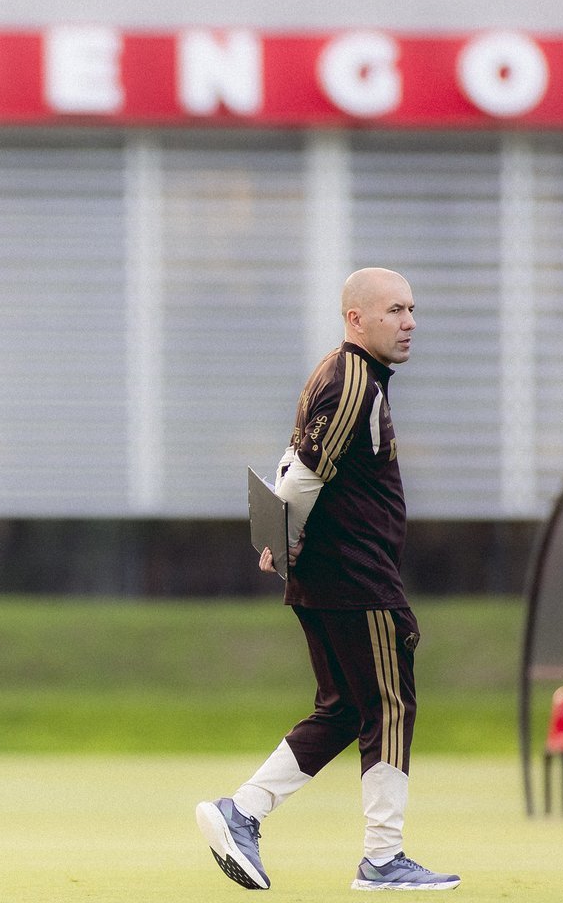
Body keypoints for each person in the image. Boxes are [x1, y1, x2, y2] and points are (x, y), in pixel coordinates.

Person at [195, 267, 459, 892]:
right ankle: (384, 858)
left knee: (343, 710)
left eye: (412, 310)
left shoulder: (341, 376)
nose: (410, 323)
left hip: (328, 575)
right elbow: (307, 469)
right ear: (356, 319)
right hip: (357, 576)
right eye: (395, 310)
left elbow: (296, 460)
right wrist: (280, 532)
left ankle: (243, 812)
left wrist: (280, 534)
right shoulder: (354, 382)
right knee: (390, 706)